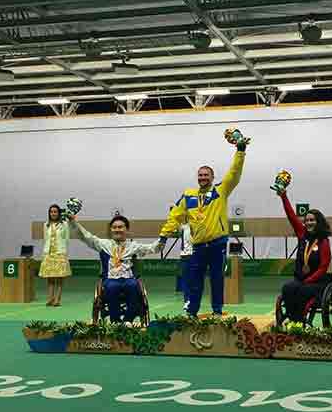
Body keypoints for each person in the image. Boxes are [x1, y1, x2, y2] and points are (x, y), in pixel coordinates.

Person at [158, 135, 248, 317]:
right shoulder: (188, 196)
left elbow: (234, 173)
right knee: (194, 280)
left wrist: (240, 151)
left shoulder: (220, 191)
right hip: (198, 246)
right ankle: (192, 312)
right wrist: (163, 236)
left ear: (213, 177)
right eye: (200, 175)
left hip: (217, 243)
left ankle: (217, 311)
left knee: (217, 279)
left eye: (206, 175)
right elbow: (174, 216)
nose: (203, 178)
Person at [69, 214, 161, 323]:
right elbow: (86, 236)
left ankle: (128, 320)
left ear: (126, 229)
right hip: (110, 279)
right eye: (114, 227)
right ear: (111, 230)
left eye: (120, 227)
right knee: (112, 287)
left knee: (133, 285)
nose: (117, 230)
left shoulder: (134, 246)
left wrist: (163, 238)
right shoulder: (103, 244)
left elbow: (152, 248)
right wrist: (74, 222)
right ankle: (115, 321)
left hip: (129, 278)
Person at [276, 187, 332, 323]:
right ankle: (292, 318)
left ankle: (298, 320)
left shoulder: (324, 241)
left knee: (302, 290)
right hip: (301, 279)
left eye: (312, 220)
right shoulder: (302, 234)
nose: (308, 223)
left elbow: (323, 266)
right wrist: (284, 197)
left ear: (318, 222)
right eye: (306, 220)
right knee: (287, 288)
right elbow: (291, 216)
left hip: (317, 281)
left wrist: (309, 280)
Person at [39, 204, 71, 307]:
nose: (53, 213)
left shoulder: (64, 224)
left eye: (55, 212)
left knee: (60, 278)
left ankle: (57, 299)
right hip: (48, 253)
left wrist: (63, 251)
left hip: (60, 253)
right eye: (51, 212)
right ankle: (50, 299)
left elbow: (66, 238)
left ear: (59, 213)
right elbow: (45, 239)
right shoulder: (46, 225)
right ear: (49, 213)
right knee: (50, 278)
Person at [175, 222, 193, 312]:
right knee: (185, 280)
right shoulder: (183, 226)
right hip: (184, 256)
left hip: (195, 254)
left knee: (194, 280)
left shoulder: (198, 224)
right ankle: (187, 301)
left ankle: (194, 301)